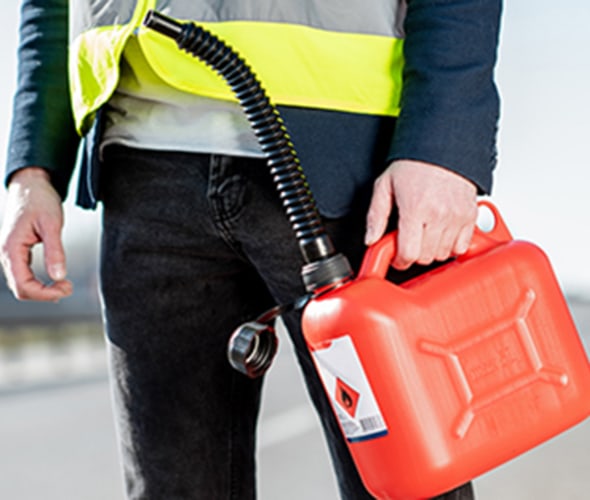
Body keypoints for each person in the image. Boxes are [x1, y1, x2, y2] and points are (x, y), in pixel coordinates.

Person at [0, 1, 502, 499]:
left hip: (347, 168)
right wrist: (33, 166)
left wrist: (442, 143)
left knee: (405, 487)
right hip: (143, 168)